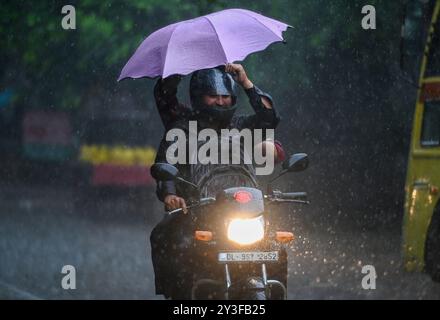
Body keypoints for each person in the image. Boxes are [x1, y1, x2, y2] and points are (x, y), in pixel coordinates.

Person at [150, 63, 283, 298]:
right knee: (166, 236)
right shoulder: (182, 126)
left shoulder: (242, 126)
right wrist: (171, 194)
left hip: (246, 212)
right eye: (213, 96)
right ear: (199, 97)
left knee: (277, 247)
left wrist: (245, 82)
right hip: (196, 211)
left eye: (225, 96)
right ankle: (181, 298)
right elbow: (166, 163)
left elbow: (269, 118)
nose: (221, 102)